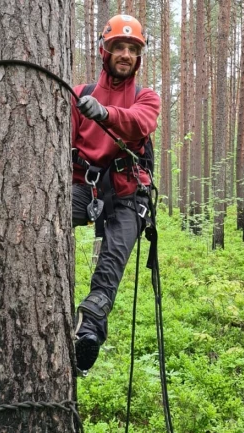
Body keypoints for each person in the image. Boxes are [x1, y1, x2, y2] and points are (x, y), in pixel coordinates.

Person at [71, 14, 161, 372]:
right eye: (118, 47)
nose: (125, 54)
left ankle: (90, 326)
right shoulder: (81, 95)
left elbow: (140, 122)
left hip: (129, 194)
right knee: (45, 217)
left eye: (132, 49)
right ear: (104, 51)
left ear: (138, 57)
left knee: (113, 259)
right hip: (86, 189)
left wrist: (105, 113)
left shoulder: (146, 97)